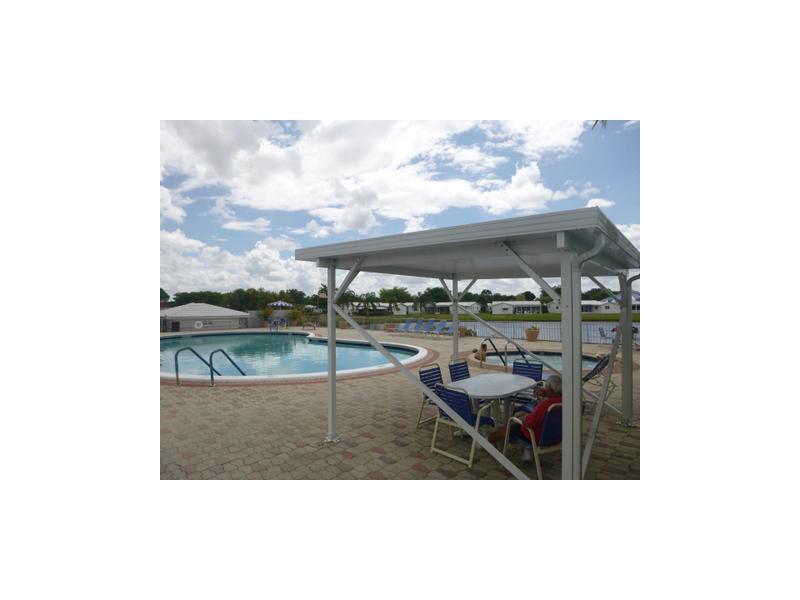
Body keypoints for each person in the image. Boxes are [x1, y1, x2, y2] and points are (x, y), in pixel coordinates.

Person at [488, 375, 562, 458]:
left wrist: (525, 417)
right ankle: (526, 450)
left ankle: (487, 440)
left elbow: (529, 423)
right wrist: (546, 395)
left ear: (550, 389)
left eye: (546, 387)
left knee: (509, 427)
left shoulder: (545, 405)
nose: (544, 388)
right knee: (514, 426)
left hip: (536, 437)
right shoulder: (564, 402)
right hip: (556, 437)